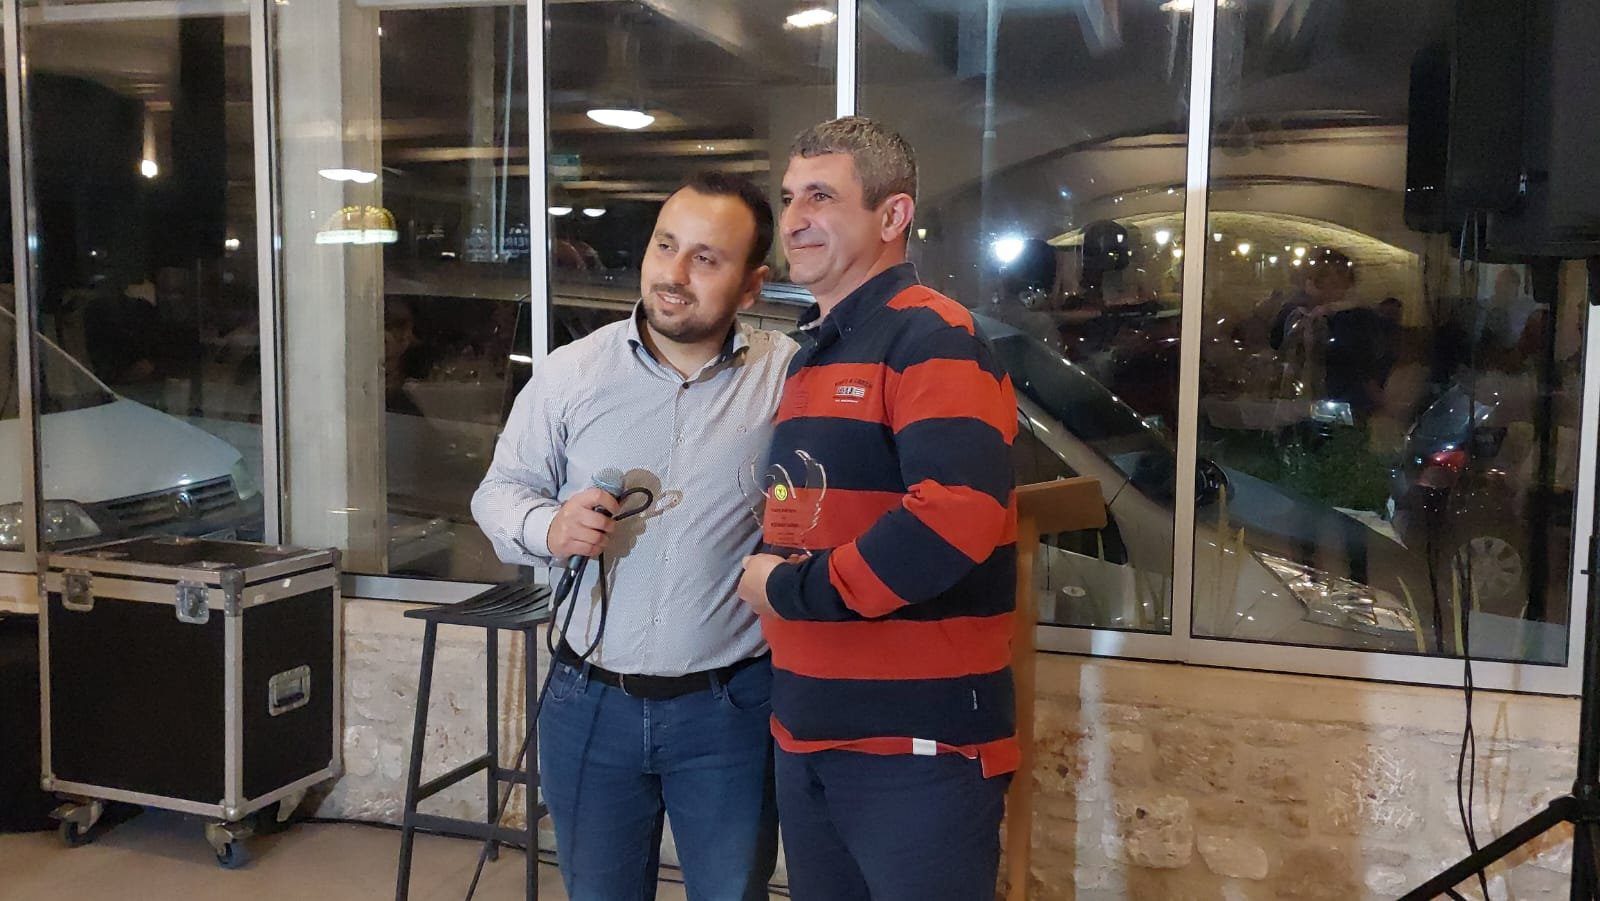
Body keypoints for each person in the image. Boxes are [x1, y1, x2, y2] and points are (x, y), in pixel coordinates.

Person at [471, 171, 794, 901]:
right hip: (587, 701)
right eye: (664, 246)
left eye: (706, 258)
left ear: (752, 286)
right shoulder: (570, 374)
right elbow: (498, 492)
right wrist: (549, 526)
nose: (673, 275)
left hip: (731, 709)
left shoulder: (786, 377)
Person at [736, 116, 1019, 901]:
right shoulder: (815, 352)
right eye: (789, 197)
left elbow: (953, 517)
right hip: (812, 731)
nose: (794, 219)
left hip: (914, 751)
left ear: (893, 215)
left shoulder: (932, 335)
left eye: (821, 197)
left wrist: (789, 589)